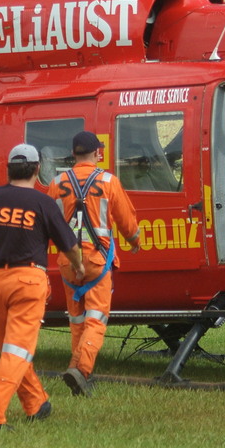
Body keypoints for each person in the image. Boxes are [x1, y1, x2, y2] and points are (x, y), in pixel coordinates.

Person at [0, 143, 85, 430]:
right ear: (38, 170)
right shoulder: (43, 203)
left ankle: (36, 403)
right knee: (17, 352)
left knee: (11, 350)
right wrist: (79, 266)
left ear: (9, 169)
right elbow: (70, 244)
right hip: (28, 282)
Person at [48, 131, 141, 397]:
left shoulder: (56, 183)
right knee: (96, 319)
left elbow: (48, 221)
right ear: (97, 153)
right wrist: (135, 241)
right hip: (96, 262)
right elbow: (126, 221)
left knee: (77, 320)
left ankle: (74, 367)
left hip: (68, 263)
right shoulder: (108, 181)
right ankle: (83, 370)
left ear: (73, 154)